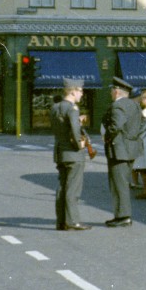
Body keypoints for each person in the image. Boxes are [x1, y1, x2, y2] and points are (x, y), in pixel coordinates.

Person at [100, 76, 142, 227]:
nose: (111, 93)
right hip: (131, 148)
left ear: (117, 91)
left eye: (112, 90)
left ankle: (123, 215)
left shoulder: (118, 106)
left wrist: (108, 136)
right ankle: (122, 215)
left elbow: (116, 125)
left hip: (119, 149)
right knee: (122, 182)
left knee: (118, 184)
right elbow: (142, 122)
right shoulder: (134, 105)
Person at [50, 78, 90, 231]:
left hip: (60, 151)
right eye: (80, 91)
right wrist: (80, 144)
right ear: (73, 92)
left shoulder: (55, 107)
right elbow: (74, 130)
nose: (82, 94)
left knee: (62, 187)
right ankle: (72, 221)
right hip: (73, 153)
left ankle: (61, 221)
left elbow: (61, 127)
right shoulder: (73, 108)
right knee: (73, 188)